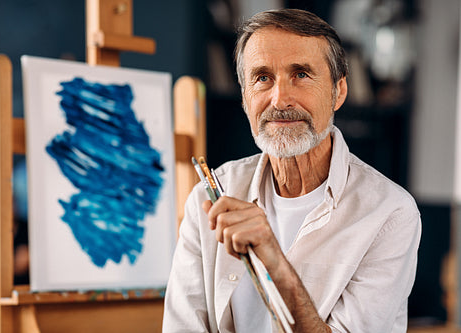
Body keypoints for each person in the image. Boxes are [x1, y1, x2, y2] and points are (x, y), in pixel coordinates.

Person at [163, 8, 421, 333]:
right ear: (245, 97)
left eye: (300, 74)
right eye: (262, 78)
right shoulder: (210, 196)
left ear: (338, 92)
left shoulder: (389, 213)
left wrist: (275, 262)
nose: (279, 98)